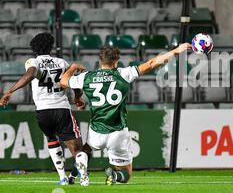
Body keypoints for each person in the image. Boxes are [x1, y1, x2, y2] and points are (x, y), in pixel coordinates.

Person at [60, 43, 191, 185]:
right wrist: (176, 51)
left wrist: (72, 68)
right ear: (116, 61)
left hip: (96, 130)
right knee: (126, 173)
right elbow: (152, 63)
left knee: (86, 149)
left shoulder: (87, 77)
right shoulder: (123, 73)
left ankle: (79, 168)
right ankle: (115, 176)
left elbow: (63, 81)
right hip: (118, 132)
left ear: (100, 61)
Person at [0, 33, 90, 186]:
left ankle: (62, 177)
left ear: (34, 48)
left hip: (43, 110)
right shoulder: (62, 62)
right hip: (61, 108)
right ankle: (84, 178)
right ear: (51, 47)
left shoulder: (33, 61)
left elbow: (30, 74)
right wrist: (77, 98)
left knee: (52, 139)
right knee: (77, 148)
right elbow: (72, 82)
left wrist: (10, 91)